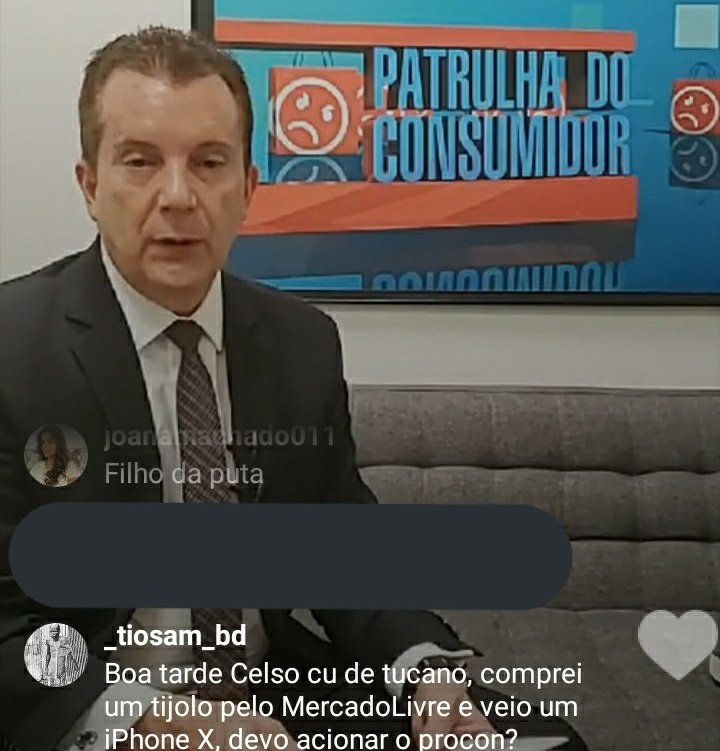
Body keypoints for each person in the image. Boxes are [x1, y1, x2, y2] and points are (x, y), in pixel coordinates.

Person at [0, 26, 587, 751]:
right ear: (91, 185)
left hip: (273, 697)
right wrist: (144, 715)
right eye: (141, 161)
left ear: (248, 189)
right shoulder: (14, 348)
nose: (178, 196)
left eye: (208, 162)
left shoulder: (301, 342)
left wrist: (425, 671)